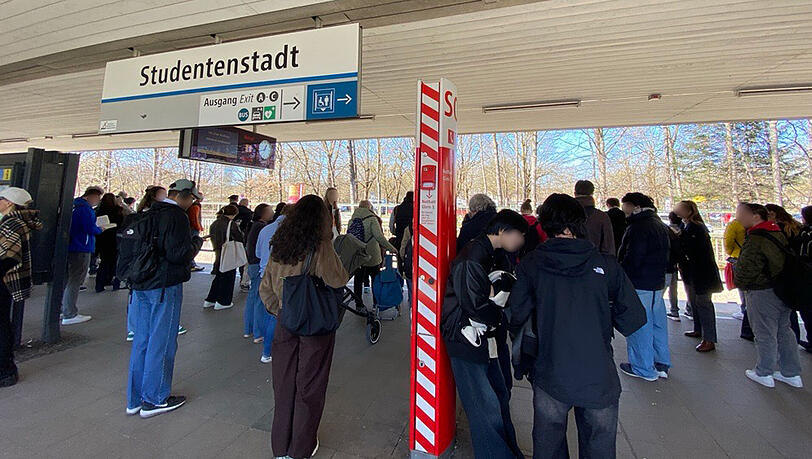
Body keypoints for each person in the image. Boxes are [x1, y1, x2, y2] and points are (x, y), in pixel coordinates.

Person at [510, 193, 646, 459]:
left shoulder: (532, 264)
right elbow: (633, 319)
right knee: (600, 444)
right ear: (579, 223)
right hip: (598, 372)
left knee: (548, 443)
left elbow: (516, 315)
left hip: (550, 367)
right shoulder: (606, 265)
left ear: (544, 223)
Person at [258, 195, 349, 459]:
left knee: (284, 383)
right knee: (309, 385)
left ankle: (280, 447)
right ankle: (301, 447)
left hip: (285, 323)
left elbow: (266, 288)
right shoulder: (322, 246)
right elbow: (338, 278)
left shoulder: (281, 245)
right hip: (314, 325)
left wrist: (284, 311)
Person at [441, 209, 527, 459]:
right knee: (484, 406)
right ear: (503, 231)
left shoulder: (489, 254)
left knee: (498, 396)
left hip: (482, 337)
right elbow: (476, 306)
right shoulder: (473, 257)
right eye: (519, 235)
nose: (520, 242)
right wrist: (497, 305)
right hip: (466, 339)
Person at [126, 179, 203, 418]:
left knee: (142, 340)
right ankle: (156, 398)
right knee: (163, 340)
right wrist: (196, 242)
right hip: (164, 285)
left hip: (140, 285)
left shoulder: (147, 212)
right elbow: (178, 254)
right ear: (182, 196)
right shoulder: (176, 216)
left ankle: (135, 399)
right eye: (191, 199)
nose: (191, 204)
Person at [734, 203, 803, 388]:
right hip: (782, 288)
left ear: (756, 216)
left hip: (761, 291)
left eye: (741, 213)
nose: (738, 217)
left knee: (764, 333)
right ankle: (791, 372)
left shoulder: (756, 237)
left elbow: (748, 268)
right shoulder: (776, 232)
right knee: (784, 330)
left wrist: (739, 280)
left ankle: (764, 372)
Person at [616, 193, 672, 381]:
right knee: (657, 323)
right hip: (657, 281)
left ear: (635, 206)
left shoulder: (638, 227)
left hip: (639, 282)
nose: (624, 210)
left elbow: (634, 257)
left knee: (639, 324)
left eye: (626, 206)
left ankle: (642, 367)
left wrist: (622, 277)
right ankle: (661, 362)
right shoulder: (658, 224)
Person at [0, 188, 42, 388]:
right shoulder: (16, 222)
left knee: (1, 327)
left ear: (9, 203)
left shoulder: (12, 223)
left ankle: (5, 370)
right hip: (9, 280)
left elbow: (9, 255)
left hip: (4, 281)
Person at [674, 200, 722, 352]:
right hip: (690, 271)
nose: (677, 211)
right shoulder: (684, 225)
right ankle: (698, 329)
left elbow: (695, 250)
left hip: (701, 272)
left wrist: (679, 239)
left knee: (703, 304)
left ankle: (709, 339)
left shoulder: (697, 228)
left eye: (680, 209)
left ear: (689, 211)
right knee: (694, 301)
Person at [61, 186, 104, 325]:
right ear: (92, 196)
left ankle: (63, 309)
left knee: (68, 278)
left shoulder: (73, 205)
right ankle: (70, 313)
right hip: (82, 246)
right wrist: (100, 229)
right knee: (76, 279)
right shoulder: (85, 209)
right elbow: (88, 228)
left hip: (71, 245)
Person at [348, 201, 398, 310]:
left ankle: (359, 304)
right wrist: (391, 248)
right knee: (375, 281)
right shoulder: (372, 219)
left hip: (358, 256)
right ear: (370, 208)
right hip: (372, 256)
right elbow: (379, 237)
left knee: (358, 280)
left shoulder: (352, 219)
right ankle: (376, 304)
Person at [256, 204, 289, 364]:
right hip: (279, 277)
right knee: (276, 314)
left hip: (263, 274)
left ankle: (260, 339)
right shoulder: (289, 233)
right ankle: (267, 351)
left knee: (267, 311)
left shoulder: (265, 229)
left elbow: (257, 252)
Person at [204, 205, 243, 310]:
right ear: (234, 214)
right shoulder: (231, 224)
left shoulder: (215, 223)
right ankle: (223, 301)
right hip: (228, 253)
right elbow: (240, 237)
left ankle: (210, 300)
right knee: (228, 277)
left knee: (218, 277)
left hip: (218, 251)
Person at [244, 203, 271, 343]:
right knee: (260, 300)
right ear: (263, 213)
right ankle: (258, 332)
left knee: (253, 297)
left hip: (252, 263)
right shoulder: (262, 227)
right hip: (257, 264)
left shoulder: (253, 226)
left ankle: (248, 329)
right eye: (269, 211)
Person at [573, 180, 615, 256]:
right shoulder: (602, 217)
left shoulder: (564, 215)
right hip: (595, 263)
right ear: (592, 194)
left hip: (568, 263)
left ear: (575, 193)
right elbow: (608, 247)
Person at [94, 193, 124, 292]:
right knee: (113, 262)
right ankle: (112, 281)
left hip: (101, 239)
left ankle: (100, 284)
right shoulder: (117, 211)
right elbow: (121, 223)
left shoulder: (98, 211)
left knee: (104, 262)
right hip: (114, 239)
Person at [665, 211, 688, 321]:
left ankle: (674, 311)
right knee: (674, 289)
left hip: (666, 264)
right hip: (675, 263)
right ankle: (676, 310)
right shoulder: (683, 230)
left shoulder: (667, 230)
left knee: (662, 291)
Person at [187, 196, 205, 272]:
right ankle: (191, 263)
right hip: (194, 228)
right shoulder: (195, 207)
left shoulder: (193, 206)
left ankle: (191, 263)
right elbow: (195, 219)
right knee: (194, 245)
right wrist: (199, 227)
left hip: (193, 228)